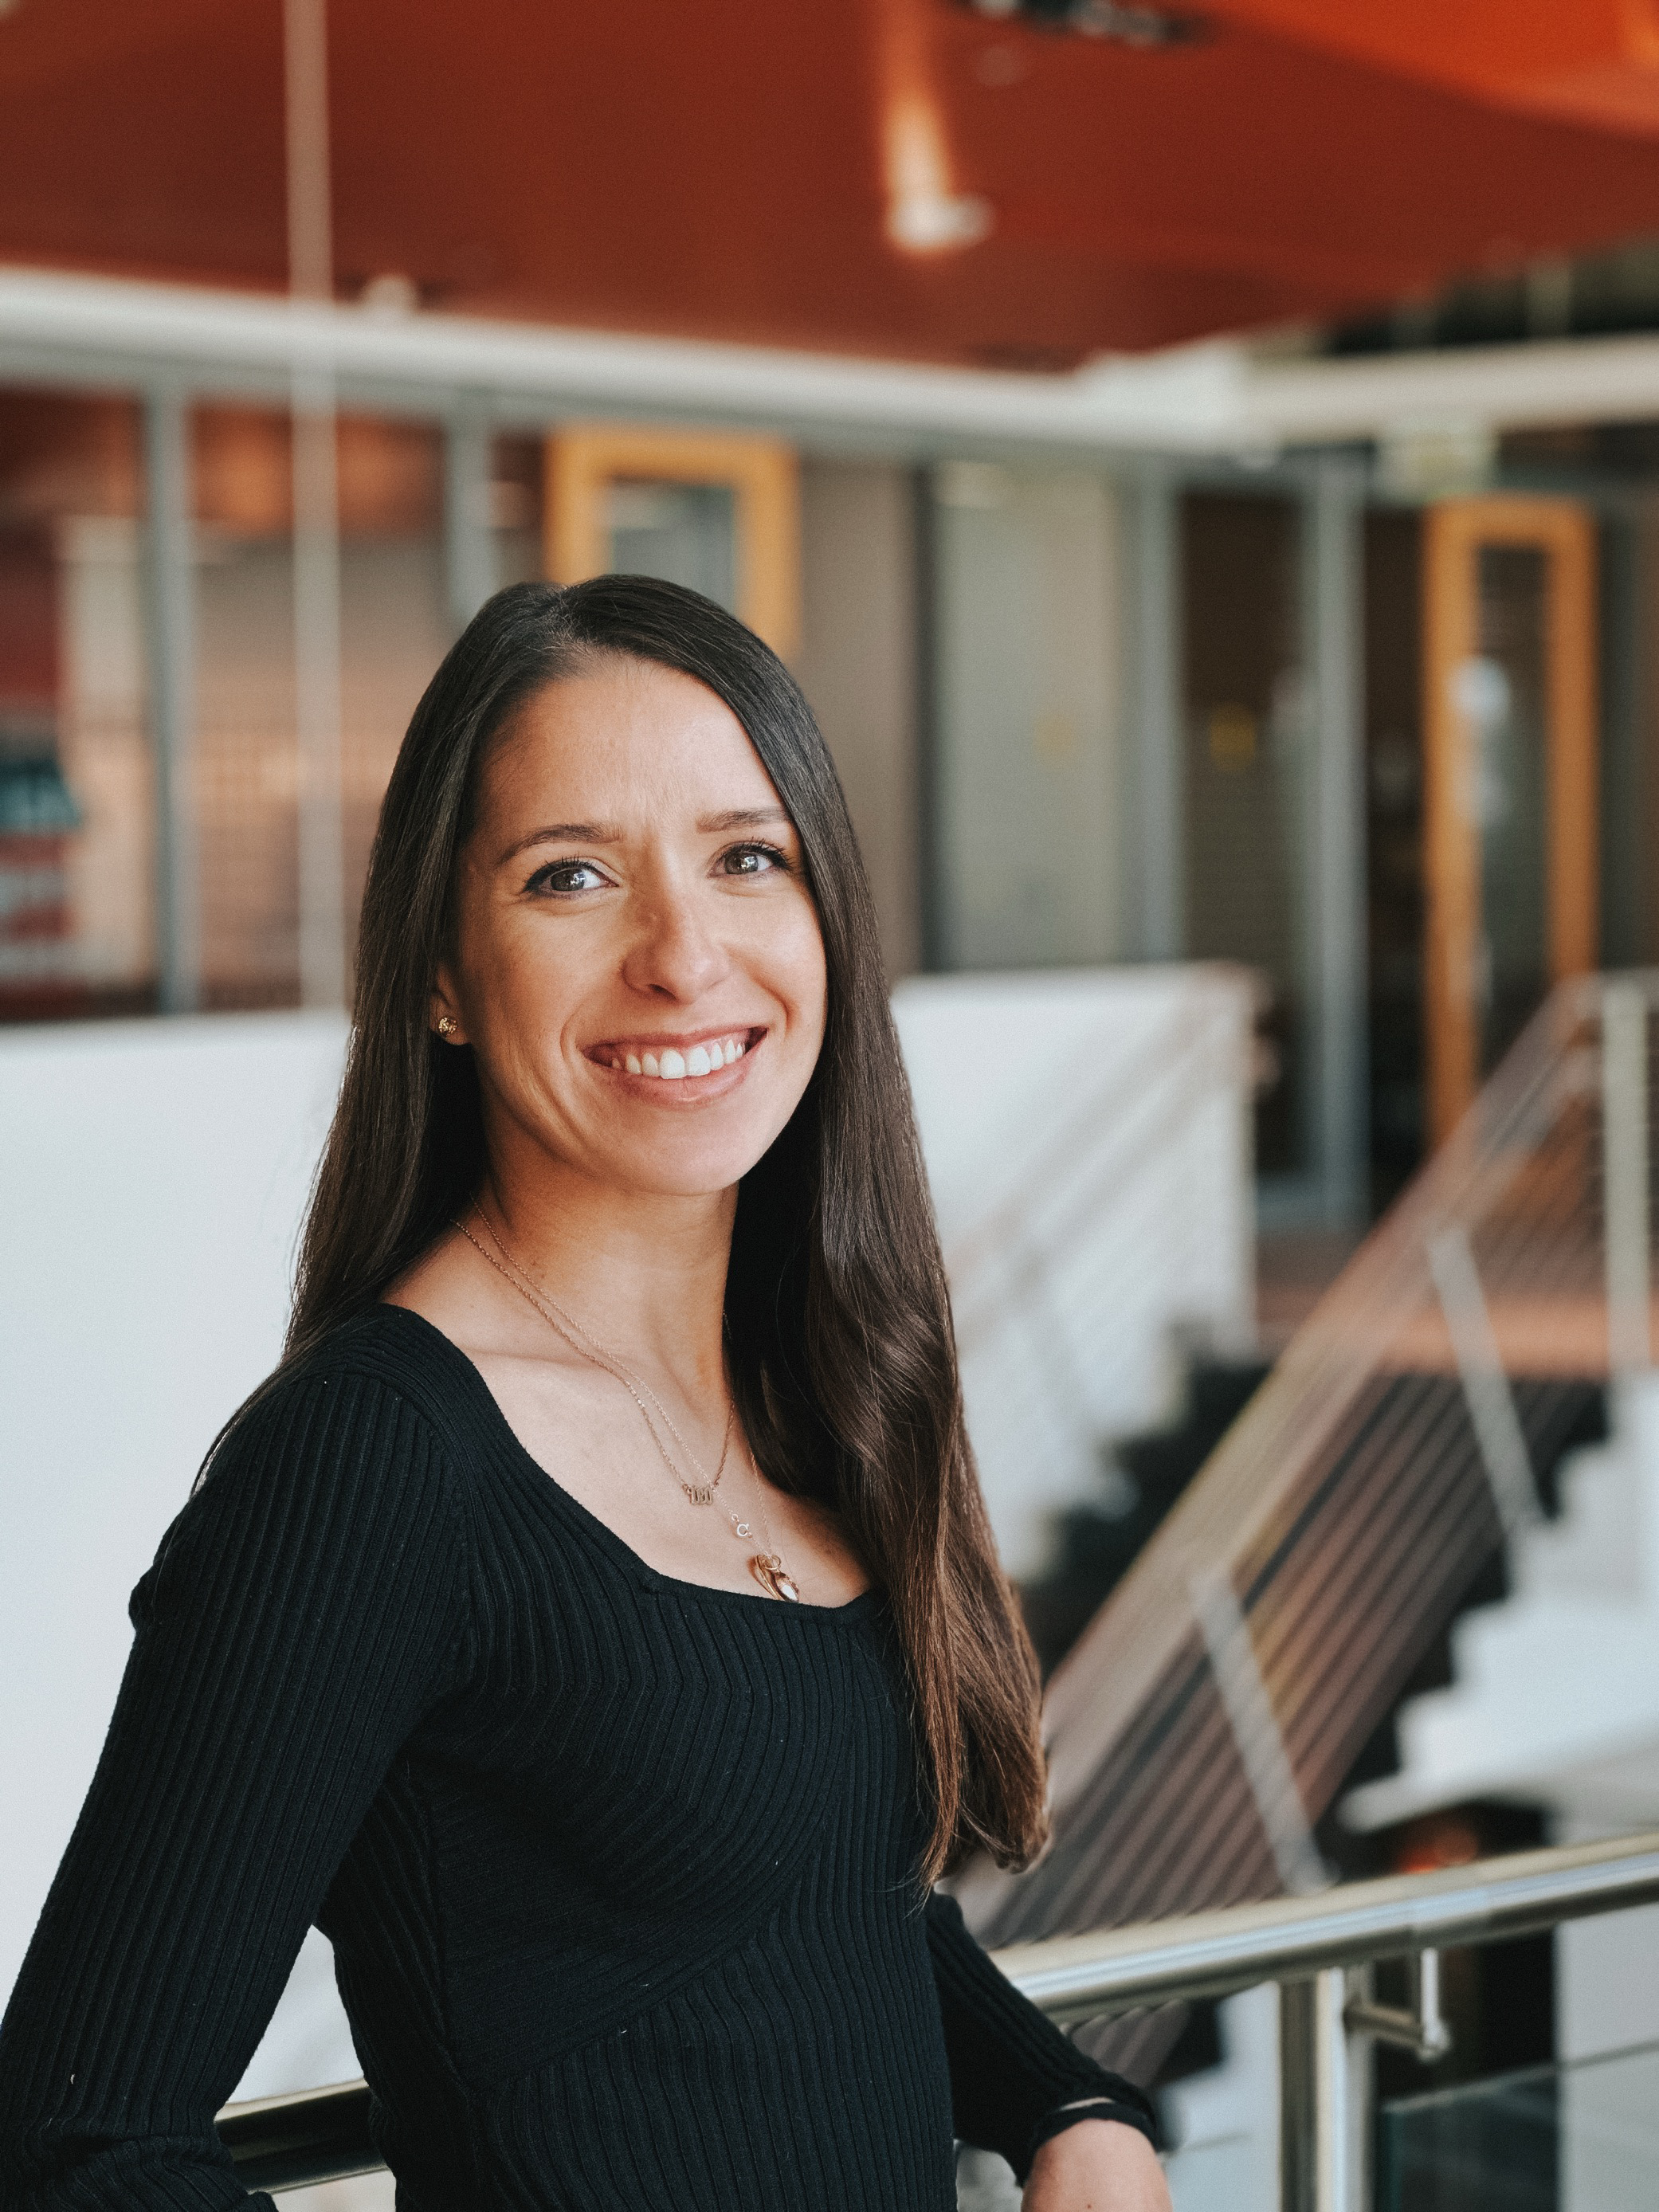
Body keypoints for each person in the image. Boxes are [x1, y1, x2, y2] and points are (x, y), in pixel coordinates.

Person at [0, 578, 1171, 2211]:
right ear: (443, 976)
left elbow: (817, 1897)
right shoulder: (370, 1464)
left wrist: (1072, 2107)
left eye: (746, 855)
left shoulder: (799, 1390)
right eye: (571, 875)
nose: (684, 953)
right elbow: (82, 2148)